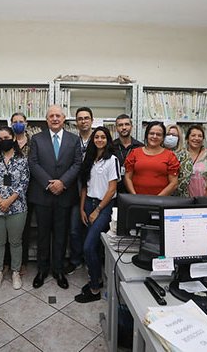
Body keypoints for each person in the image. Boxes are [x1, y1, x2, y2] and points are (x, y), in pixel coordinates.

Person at [29, 105, 81, 289]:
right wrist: (49, 184)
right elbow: (33, 163)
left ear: (64, 118)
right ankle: (42, 269)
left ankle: (58, 270)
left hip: (65, 195)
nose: (55, 118)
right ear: (46, 119)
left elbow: (77, 164)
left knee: (61, 235)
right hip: (43, 194)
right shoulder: (36, 138)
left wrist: (62, 182)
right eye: (51, 116)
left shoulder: (74, 140)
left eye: (58, 115)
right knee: (43, 234)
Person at [75, 126, 120, 303]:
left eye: (103, 137)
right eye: (97, 137)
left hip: (104, 206)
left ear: (108, 140)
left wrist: (97, 210)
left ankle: (94, 290)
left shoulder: (112, 160)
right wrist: (81, 209)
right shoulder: (90, 159)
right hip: (88, 203)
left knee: (88, 246)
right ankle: (98, 279)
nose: (99, 139)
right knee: (91, 246)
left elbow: (112, 189)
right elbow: (85, 186)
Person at [0, 126, 29, 290]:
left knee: (16, 242)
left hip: (17, 208)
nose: (4, 141)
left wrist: (8, 201)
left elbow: (24, 183)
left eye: (6, 138)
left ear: (13, 139)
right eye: (0, 139)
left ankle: (16, 272)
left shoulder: (22, 159)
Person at [65, 106, 93, 275]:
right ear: (76, 122)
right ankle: (76, 260)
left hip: (94, 192)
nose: (83, 121)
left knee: (92, 229)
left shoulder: (98, 139)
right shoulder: (72, 141)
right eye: (80, 118)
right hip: (75, 192)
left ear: (92, 120)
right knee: (74, 229)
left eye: (86, 118)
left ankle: (91, 259)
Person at [3, 112, 32, 274]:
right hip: (6, 192)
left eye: (21, 121)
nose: (18, 124)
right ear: (11, 123)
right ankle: (6, 261)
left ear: (26, 123)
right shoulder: (6, 141)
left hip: (27, 191)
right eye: (15, 121)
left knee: (23, 229)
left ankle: (21, 262)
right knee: (6, 228)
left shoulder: (33, 143)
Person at [124, 121, 179, 195]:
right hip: (136, 200)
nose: (154, 136)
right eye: (151, 133)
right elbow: (127, 178)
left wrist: (157, 199)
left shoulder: (170, 156)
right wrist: (135, 196)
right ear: (146, 135)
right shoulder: (134, 153)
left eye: (158, 134)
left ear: (163, 138)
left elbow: (174, 183)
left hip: (160, 201)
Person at [113, 114, 143, 194]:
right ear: (116, 128)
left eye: (127, 124)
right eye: (120, 125)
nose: (124, 127)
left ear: (131, 127)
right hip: (115, 190)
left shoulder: (140, 147)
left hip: (135, 190)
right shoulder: (110, 147)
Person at [185, 124, 207, 197]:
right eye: (193, 135)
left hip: (203, 195)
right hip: (183, 197)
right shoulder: (181, 154)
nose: (196, 138)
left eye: (200, 136)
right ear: (187, 138)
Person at [164, 124, 191, 197]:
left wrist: (166, 192)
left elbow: (185, 179)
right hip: (157, 194)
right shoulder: (158, 151)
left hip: (178, 196)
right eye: (168, 134)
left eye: (174, 135)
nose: (170, 137)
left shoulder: (185, 155)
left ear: (179, 138)